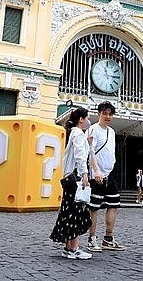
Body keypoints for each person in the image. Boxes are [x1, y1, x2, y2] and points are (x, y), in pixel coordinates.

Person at [50, 107, 93, 260]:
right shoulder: (78, 133)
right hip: (75, 179)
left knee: (69, 212)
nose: (88, 121)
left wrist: (88, 143)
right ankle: (74, 248)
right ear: (81, 119)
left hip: (69, 178)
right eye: (87, 118)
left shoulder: (75, 133)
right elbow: (80, 156)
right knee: (77, 213)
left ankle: (69, 247)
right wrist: (84, 174)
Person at [86, 102, 125, 252]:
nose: (108, 116)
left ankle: (108, 238)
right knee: (94, 208)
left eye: (110, 114)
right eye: (105, 113)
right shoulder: (92, 130)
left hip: (109, 174)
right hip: (96, 175)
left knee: (114, 204)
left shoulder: (112, 132)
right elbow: (90, 152)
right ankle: (92, 239)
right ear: (99, 114)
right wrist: (96, 171)